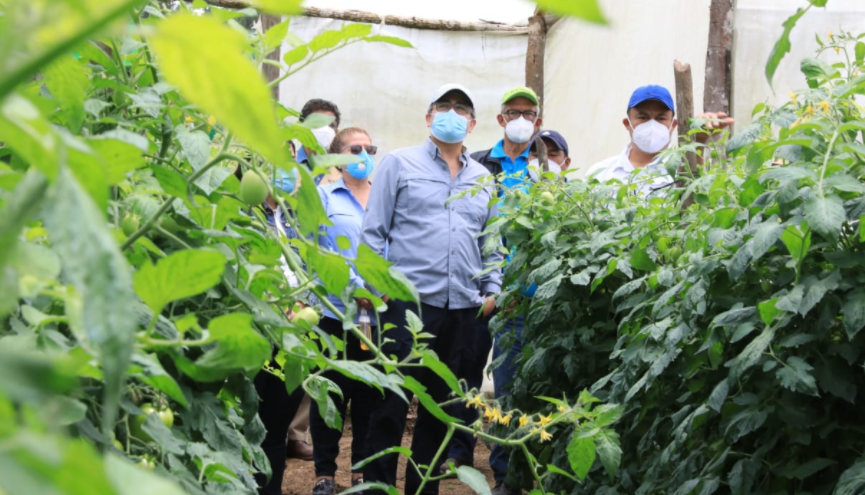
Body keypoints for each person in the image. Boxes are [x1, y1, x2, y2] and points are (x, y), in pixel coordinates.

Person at [359, 83, 503, 495]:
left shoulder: (483, 178)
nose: (452, 113)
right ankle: (378, 489)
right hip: (408, 307)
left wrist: (491, 292)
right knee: (390, 405)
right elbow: (373, 234)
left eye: (462, 109)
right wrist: (380, 289)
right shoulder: (399, 164)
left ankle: (422, 490)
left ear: (473, 124)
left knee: (443, 412)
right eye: (445, 106)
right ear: (428, 117)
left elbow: (491, 241)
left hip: (465, 310)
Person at [442, 86, 543, 495]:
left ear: (537, 119)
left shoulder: (547, 165)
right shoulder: (479, 165)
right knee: (465, 370)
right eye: (513, 111)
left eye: (529, 112)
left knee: (510, 382)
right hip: (481, 290)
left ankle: (506, 471)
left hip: (527, 292)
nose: (521, 118)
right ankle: (459, 451)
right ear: (500, 119)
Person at [309, 128, 378, 495]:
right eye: (356, 148)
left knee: (369, 396)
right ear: (337, 156)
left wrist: (378, 292)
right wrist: (355, 287)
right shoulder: (322, 196)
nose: (364, 154)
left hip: (375, 317)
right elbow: (319, 251)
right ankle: (324, 474)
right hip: (334, 314)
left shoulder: (384, 196)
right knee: (330, 397)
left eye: (370, 149)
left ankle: (361, 473)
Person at [585, 85, 734, 196]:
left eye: (661, 118)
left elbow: (696, 202)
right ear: (627, 124)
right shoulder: (600, 174)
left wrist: (699, 141)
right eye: (643, 117)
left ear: (673, 125)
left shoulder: (681, 170)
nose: (652, 125)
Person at [297, 98, 342, 185]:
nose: (324, 130)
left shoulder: (345, 170)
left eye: (331, 125)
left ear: (336, 132)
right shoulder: (285, 165)